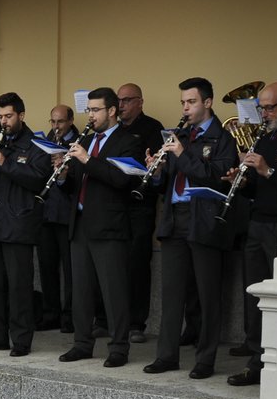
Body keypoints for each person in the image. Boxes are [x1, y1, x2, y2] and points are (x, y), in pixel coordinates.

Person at [143, 78, 238, 379]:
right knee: (171, 293)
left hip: (205, 220)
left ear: (207, 103)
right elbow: (167, 182)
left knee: (208, 295)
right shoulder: (179, 134)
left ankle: (205, 360)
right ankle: (167, 356)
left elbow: (216, 175)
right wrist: (157, 170)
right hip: (174, 220)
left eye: (191, 102)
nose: (185, 107)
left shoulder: (223, 138)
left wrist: (182, 154)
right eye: (183, 102)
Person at [58, 88, 142, 367]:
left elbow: (121, 181)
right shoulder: (88, 142)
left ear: (112, 111)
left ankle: (119, 347)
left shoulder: (128, 142)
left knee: (113, 291)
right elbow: (78, 185)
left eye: (95, 110)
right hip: (80, 223)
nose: (90, 116)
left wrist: (86, 160)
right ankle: (82, 343)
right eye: (89, 110)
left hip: (109, 227)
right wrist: (64, 175)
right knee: (80, 291)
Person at [0, 92, 51, 357]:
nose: (4, 121)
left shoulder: (37, 145)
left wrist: (5, 164)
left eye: (8, 116)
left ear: (21, 115)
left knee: (18, 287)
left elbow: (38, 180)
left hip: (18, 225)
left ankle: (21, 340)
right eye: (1, 117)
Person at [228, 83, 277, 387]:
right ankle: (255, 357)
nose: (265, 113)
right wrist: (241, 178)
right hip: (257, 222)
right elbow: (256, 185)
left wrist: (267, 171)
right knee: (253, 294)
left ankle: (276, 359)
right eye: (262, 107)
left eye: (271, 107)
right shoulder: (265, 137)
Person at [116, 85, 166, 343]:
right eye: (119, 100)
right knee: (114, 263)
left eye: (127, 100)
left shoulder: (152, 128)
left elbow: (158, 164)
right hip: (115, 204)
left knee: (137, 264)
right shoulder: (113, 129)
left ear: (140, 102)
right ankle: (110, 320)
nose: (122, 105)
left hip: (141, 204)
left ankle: (137, 322)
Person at [37, 104, 79, 333]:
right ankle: (50, 313)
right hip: (46, 213)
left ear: (70, 121)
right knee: (47, 266)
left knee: (70, 269)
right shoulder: (49, 142)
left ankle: (69, 316)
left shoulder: (80, 142)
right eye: (52, 122)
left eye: (60, 122)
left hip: (66, 214)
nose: (56, 127)